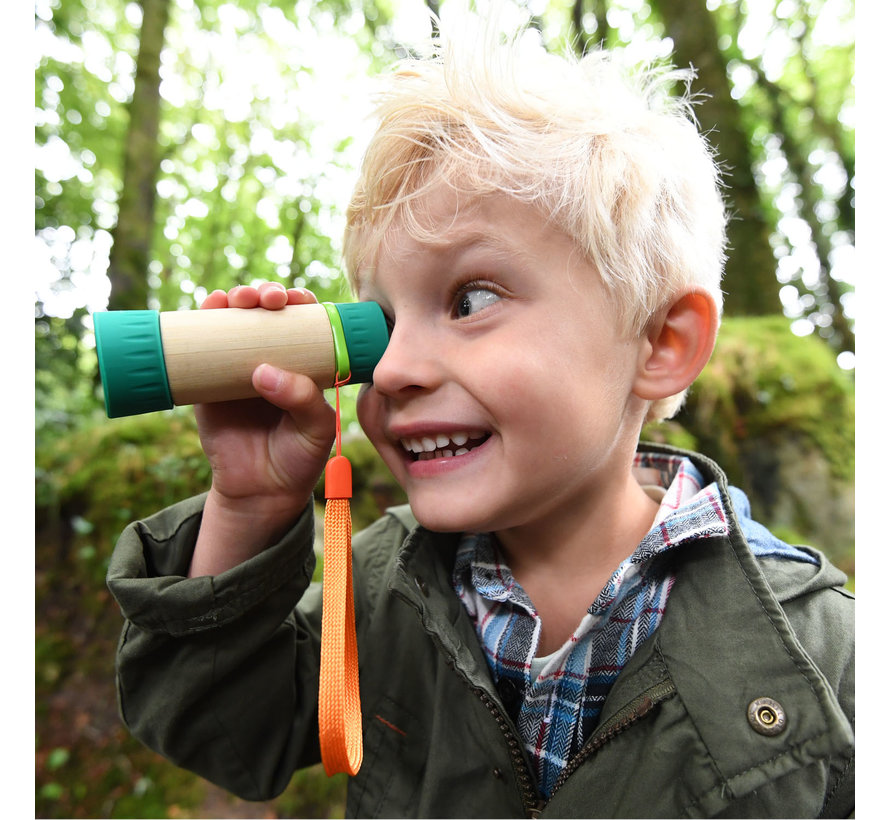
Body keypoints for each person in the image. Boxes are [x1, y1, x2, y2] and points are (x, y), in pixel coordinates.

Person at [106, 4, 854, 817]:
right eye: (376, 325)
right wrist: (246, 506)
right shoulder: (381, 588)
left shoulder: (823, 657)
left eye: (471, 299)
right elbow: (226, 733)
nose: (389, 370)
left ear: (659, 342)